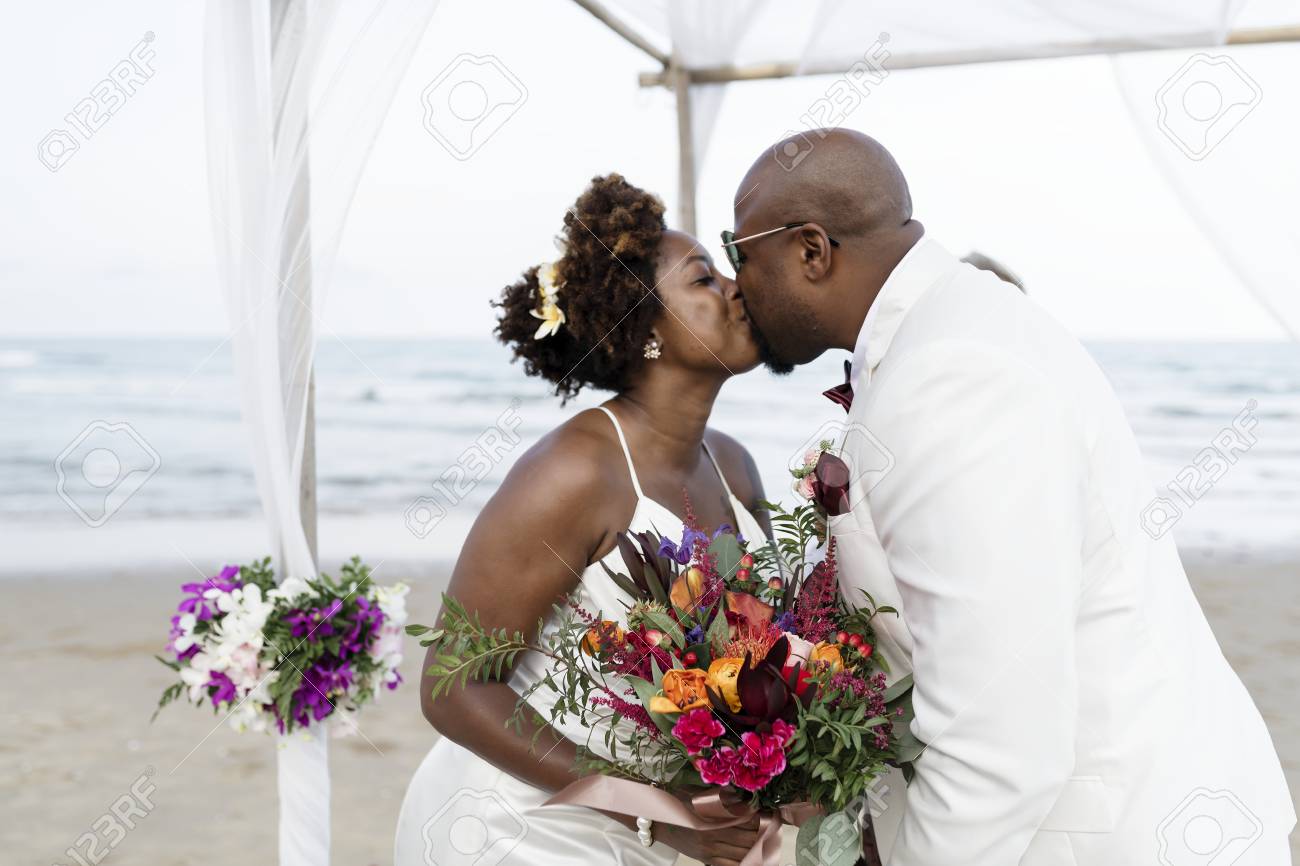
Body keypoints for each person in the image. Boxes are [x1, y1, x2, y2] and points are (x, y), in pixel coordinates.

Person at [724, 129, 1295, 865]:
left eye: (741, 253)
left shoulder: (954, 373)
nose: (737, 282)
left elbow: (998, 746)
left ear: (811, 250)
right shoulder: (950, 331)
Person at [395, 174, 768, 866]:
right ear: (648, 331)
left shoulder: (736, 469)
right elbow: (453, 686)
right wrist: (656, 812)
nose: (735, 287)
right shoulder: (574, 473)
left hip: (676, 828)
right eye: (703, 280)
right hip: (522, 827)